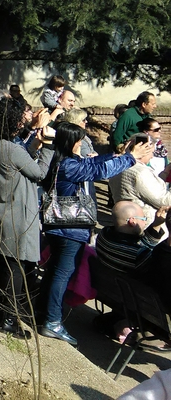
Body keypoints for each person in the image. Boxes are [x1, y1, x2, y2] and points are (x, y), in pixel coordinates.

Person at [37, 122, 150, 346]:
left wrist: (124, 154)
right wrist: (130, 158)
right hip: (69, 229)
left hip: (61, 228)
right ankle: (52, 321)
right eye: (79, 139)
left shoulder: (63, 161)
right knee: (61, 273)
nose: (82, 143)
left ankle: (44, 313)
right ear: (71, 142)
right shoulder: (69, 165)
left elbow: (93, 162)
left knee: (55, 271)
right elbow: (97, 170)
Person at [0, 98, 54, 339]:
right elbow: (39, 173)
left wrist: (34, 142)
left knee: (0, 264)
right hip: (18, 216)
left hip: (1, 212)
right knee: (16, 270)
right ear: (12, 124)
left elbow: (20, 160)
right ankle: (10, 320)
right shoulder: (11, 149)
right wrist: (48, 145)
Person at [109, 133, 171, 222]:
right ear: (144, 150)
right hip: (144, 223)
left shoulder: (118, 166)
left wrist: (166, 171)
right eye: (152, 152)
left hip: (126, 218)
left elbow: (149, 189)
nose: (152, 156)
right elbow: (165, 201)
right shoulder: (140, 172)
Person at [96, 201, 166, 275]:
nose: (145, 223)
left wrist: (156, 224)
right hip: (129, 285)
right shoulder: (137, 256)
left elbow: (141, 245)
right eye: (144, 219)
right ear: (132, 221)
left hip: (109, 282)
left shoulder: (104, 234)